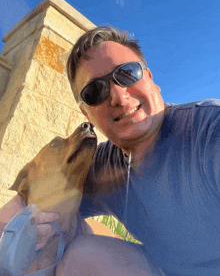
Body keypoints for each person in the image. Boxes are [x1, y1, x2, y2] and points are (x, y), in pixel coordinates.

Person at [1, 26, 220, 276]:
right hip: (161, 269)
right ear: (87, 114)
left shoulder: (209, 133)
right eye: (96, 91)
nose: (118, 96)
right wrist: (25, 223)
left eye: (127, 73)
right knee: (83, 254)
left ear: (149, 78)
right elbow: (32, 194)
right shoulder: (102, 166)